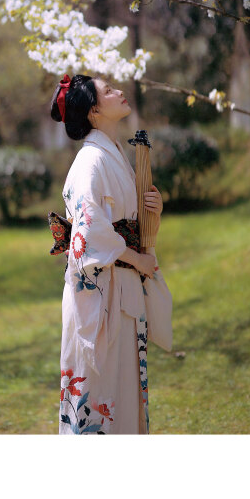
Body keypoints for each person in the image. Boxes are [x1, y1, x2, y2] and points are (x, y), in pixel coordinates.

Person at [51, 71, 172, 435]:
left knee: (123, 396)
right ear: (92, 111)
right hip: (104, 292)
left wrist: (153, 211)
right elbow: (90, 232)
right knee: (100, 396)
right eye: (108, 91)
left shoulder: (113, 153)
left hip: (121, 288)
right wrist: (138, 259)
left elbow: (122, 224)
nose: (119, 92)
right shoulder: (90, 162)